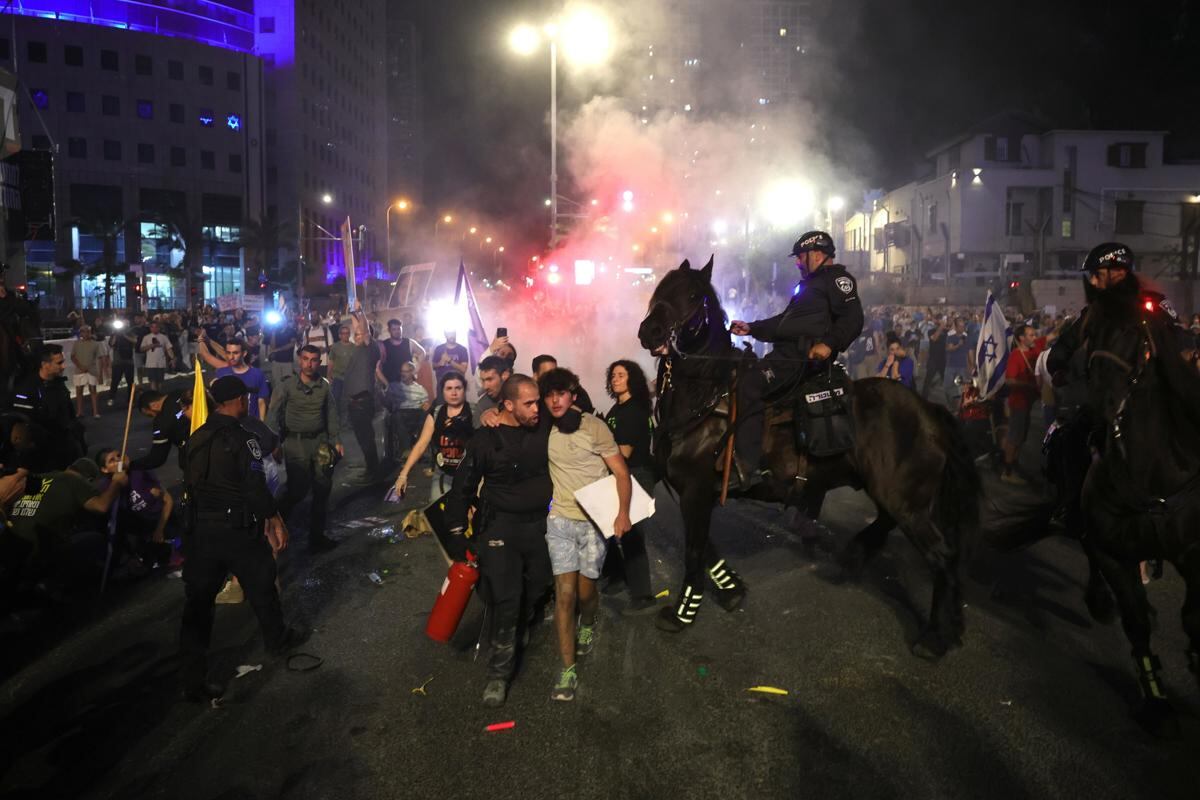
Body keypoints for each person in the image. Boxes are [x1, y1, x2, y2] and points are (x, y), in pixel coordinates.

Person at [180, 375, 303, 702]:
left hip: (202, 533)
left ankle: (193, 678)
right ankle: (277, 640)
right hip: (238, 532)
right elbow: (254, 487)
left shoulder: (195, 439)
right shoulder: (243, 439)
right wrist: (274, 518)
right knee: (262, 586)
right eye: (244, 398)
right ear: (237, 400)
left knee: (198, 606)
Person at [445, 374, 552, 707]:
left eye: (538, 401)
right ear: (507, 405)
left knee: (538, 586)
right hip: (500, 529)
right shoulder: (484, 440)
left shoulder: (543, 427)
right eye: (530, 403)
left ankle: (523, 621)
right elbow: (462, 487)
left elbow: (574, 414)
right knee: (507, 598)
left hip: (539, 527)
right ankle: (498, 674)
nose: (538, 408)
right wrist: (456, 534)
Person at [730, 231, 864, 484]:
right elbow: (783, 323)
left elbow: (853, 317)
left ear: (816, 254)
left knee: (750, 384)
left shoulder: (837, 279)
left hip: (798, 359)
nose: (797, 262)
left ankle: (749, 465)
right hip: (784, 354)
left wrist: (828, 343)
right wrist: (752, 327)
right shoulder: (811, 284)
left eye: (800, 256)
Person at [541, 367, 633, 702]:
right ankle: (567, 669)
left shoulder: (594, 427)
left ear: (573, 395)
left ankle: (589, 623)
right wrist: (493, 412)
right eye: (549, 394)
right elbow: (509, 413)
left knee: (584, 595)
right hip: (560, 522)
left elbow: (621, 472)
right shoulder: (543, 428)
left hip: (594, 523)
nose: (555, 400)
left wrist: (622, 514)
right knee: (564, 596)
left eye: (561, 393)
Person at [267, 345, 343, 551]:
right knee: (297, 491)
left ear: (319, 362)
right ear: (299, 360)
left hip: (320, 442)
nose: (309, 364)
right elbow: (273, 416)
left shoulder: (324, 386)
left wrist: (336, 440)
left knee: (322, 490)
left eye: (314, 360)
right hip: (295, 443)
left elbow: (332, 414)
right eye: (306, 359)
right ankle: (275, 528)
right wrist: (273, 443)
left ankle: (316, 538)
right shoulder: (287, 386)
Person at [601, 360, 659, 615]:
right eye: (613, 375)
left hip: (636, 476)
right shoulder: (617, 410)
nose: (615, 379)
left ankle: (643, 595)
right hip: (621, 474)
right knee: (607, 527)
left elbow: (623, 452)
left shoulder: (633, 410)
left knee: (633, 535)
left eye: (621, 375)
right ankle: (619, 575)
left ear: (632, 379)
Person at [393, 371, 472, 503]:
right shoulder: (436, 413)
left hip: (469, 475)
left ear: (464, 389)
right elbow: (421, 444)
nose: (454, 393)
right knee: (438, 511)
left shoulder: (474, 412)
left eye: (458, 388)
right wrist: (403, 475)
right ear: (443, 391)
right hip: (443, 475)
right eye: (449, 388)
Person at [10, 344, 86, 471]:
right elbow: (25, 426)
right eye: (59, 363)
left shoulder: (58, 383)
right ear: (45, 364)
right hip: (45, 458)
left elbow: (68, 413)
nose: (63, 366)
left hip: (68, 449)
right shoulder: (27, 390)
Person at [96, 448, 174, 569]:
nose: (118, 460)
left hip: (158, 520)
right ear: (104, 469)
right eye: (112, 460)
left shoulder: (139, 471)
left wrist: (159, 530)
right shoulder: (106, 487)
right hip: (138, 529)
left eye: (119, 455)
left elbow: (168, 500)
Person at [1001, 322, 1056, 484]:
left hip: (1028, 403)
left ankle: (1014, 464)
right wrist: (1029, 385)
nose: (1035, 337)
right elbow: (1010, 380)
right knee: (1014, 437)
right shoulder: (1015, 356)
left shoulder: (1035, 348)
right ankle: (1008, 471)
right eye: (1031, 335)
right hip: (1018, 403)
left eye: (1034, 334)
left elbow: (1054, 335)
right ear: (1021, 338)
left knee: (1022, 436)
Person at [342, 305, 382, 477]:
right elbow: (359, 328)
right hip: (354, 402)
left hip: (362, 402)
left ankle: (373, 470)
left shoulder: (370, 349)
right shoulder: (358, 350)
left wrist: (360, 311)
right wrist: (352, 312)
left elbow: (363, 329)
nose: (355, 337)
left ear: (368, 336)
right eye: (355, 335)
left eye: (359, 335)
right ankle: (371, 467)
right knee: (361, 437)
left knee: (365, 438)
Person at [197, 336, 270, 420]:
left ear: (244, 353)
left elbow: (261, 402)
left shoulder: (257, 374)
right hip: (228, 425)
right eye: (228, 353)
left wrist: (261, 424)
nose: (231, 357)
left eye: (235, 353)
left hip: (251, 424)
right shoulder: (221, 373)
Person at [130, 389, 192, 473]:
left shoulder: (162, 422)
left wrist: (130, 465)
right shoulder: (184, 392)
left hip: (195, 455)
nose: (154, 417)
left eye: (150, 415)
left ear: (154, 405)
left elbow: (157, 458)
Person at [383, 360, 430, 463]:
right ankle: (406, 449)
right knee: (397, 416)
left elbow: (426, 405)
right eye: (402, 371)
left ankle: (419, 449)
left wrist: (426, 408)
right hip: (401, 412)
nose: (403, 374)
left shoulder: (420, 389)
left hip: (416, 413)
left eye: (406, 371)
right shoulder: (394, 387)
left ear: (412, 372)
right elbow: (387, 403)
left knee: (427, 416)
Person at [531, 355, 596, 414]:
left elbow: (586, 405)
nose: (552, 376)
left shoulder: (570, 387)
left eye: (555, 371)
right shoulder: (529, 393)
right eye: (547, 373)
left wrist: (573, 411)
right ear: (535, 376)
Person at [376, 318, 426, 390]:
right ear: (389, 330)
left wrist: (414, 371)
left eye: (399, 329)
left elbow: (422, 353)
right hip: (390, 384)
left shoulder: (409, 342)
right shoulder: (383, 345)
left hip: (408, 386)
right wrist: (387, 385)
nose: (397, 331)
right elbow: (377, 368)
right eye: (394, 329)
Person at [70, 325, 102, 419]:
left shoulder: (95, 344)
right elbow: (72, 356)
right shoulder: (76, 343)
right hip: (79, 370)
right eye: (84, 331)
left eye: (88, 331)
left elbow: (99, 358)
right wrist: (80, 366)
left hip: (91, 370)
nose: (86, 333)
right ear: (81, 333)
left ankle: (95, 412)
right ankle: (80, 412)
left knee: (93, 390)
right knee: (79, 391)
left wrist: (99, 373)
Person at [473, 355, 512, 426]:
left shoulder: (519, 396)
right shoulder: (482, 405)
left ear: (505, 375)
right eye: (483, 380)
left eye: (489, 379)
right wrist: (483, 419)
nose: (485, 387)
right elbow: (475, 434)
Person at [107, 318, 138, 408]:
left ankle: (131, 400)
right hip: (118, 361)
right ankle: (111, 398)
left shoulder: (131, 333)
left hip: (129, 361)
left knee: (130, 382)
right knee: (115, 381)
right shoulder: (115, 333)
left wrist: (124, 335)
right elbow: (112, 344)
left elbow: (135, 341)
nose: (124, 326)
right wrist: (116, 333)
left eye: (125, 324)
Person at [139, 321, 175, 391]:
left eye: (156, 327)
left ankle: (159, 395)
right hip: (150, 363)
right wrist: (152, 345)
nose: (154, 329)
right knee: (152, 380)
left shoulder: (163, 337)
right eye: (153, 327)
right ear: (150, 328)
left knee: (160, 381)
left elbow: (169, 349)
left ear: (159, 328)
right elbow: (142, 349)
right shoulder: (146, 337)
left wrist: (172, 358)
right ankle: (154, 395)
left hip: (161, 362)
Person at [265, 317, 298, 390]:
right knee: (276, 383)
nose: (281, 323)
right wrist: (273, 333)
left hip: (287, 361)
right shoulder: (276, 331)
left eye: (282, 321)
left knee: (288, 383)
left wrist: (278, 349)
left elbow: (292, 344)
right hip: (276, 361)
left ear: (285, 321)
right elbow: (272, 346)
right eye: (280, 322)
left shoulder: (291, 331)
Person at [327, 324, 355, 405]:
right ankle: (336, 416)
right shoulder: (335, 347)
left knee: (350, 400)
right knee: (336, 398)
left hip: (350, 378)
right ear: (340, 335)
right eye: (343, 333)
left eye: (347, 333)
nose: (346, 335)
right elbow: (331, 361)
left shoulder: (354, 347)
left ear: (349, 334)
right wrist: (328, 375)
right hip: (337, 377)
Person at [921, 317, 947, 401]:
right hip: (933, 360)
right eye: (939, 323)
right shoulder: (930, 331)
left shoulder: (946, 333)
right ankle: (923, 399)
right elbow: (934, 338)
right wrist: (941, 327)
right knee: (928, 380)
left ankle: (952, 402)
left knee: (946, 381)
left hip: (943, 360)